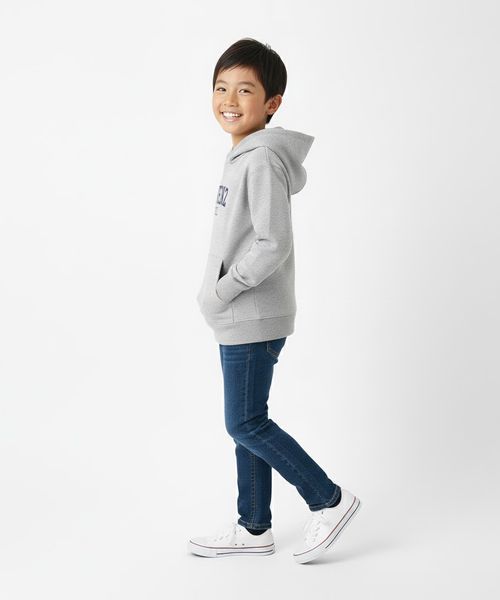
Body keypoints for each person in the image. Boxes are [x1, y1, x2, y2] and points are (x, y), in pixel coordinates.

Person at [188, 38, 361, 564]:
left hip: (251, 313)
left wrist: (222, 290)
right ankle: (254, 526)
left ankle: (329, 500)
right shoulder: (243, 155)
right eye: (221, 88)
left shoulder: (260, 158)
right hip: (241, 314)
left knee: (244, 423)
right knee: (249, 420)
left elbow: (271, 243)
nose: (229, 100)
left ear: (272, 103)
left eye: (245, 90)